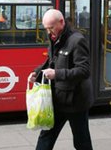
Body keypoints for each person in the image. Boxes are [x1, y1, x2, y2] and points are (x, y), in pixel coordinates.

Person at [28, 9, 93, 150]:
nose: (48, 32)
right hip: (58, 99)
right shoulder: (54, 37)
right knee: (46, 136)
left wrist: (57, 74)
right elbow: (52, 61)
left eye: (51, 28)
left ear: (61, 22)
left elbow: (84, 70)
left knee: (82, 141)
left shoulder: (77, 40)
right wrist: (37, 72)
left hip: (76, 102)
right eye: (46, 28)